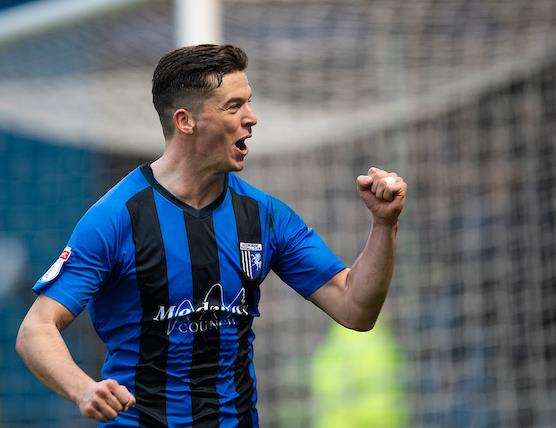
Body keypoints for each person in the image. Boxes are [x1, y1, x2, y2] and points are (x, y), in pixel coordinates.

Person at [15, 44, 407, 427]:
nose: (251, 118)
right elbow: (36, 329)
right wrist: (83, 388)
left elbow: (355, 309)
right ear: (186, 121)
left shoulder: (264, 215)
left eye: (248, 102)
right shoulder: (116, 218)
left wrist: (384, 224)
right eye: (234, 106)